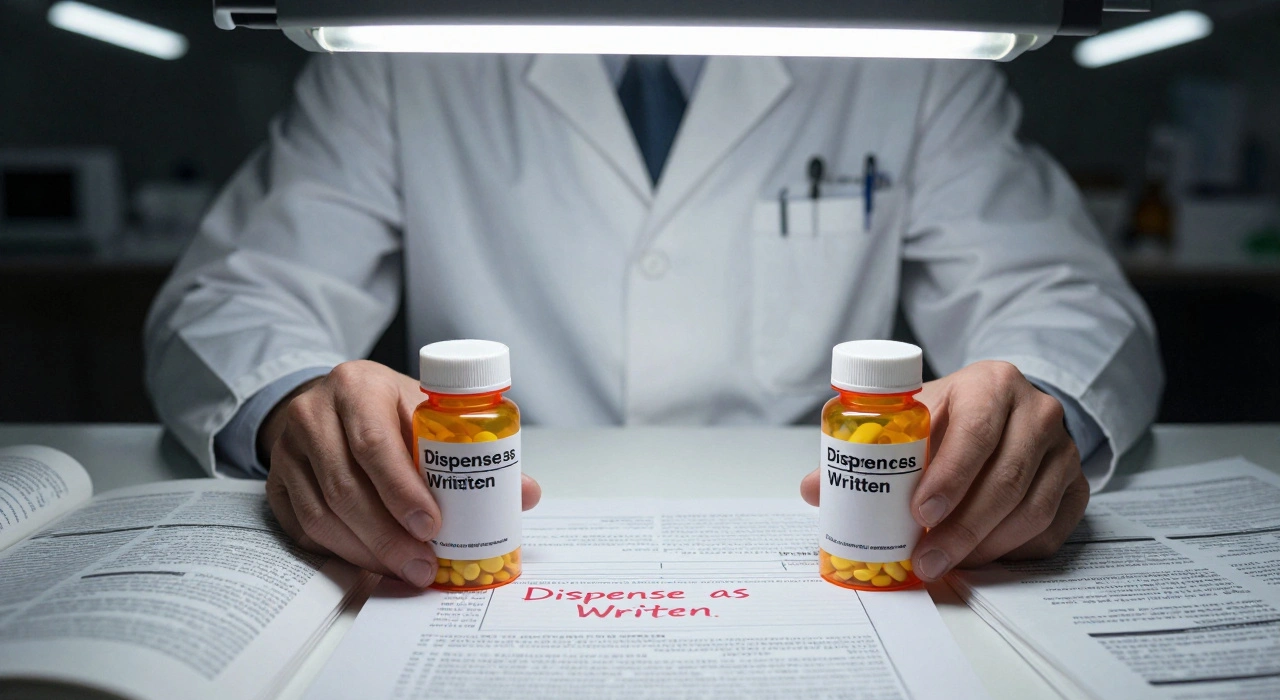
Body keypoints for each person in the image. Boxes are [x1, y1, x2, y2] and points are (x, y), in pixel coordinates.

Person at [144, 54, 1162, 589]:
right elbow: (231, 300)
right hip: (484, 533)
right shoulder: (400, 46)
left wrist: (1034, 416)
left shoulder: (907, 48)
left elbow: (1066, 302)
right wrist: (293, 410)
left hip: (810, 538)